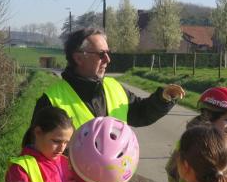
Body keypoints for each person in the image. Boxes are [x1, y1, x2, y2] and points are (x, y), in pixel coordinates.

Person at [32, 27, 185, 130]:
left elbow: (141, 113)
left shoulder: (114, 87)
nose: (108, 59)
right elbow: (38, 153)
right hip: (71, 179)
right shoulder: (50, 101)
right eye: (101, 54)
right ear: (78, 58)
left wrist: (163, 98)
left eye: (108, 52)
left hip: (117, 178)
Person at [5, 106, 75, 182]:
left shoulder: (67, 162)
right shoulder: (20, 169)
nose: (62, 148)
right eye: (56, 141)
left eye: (66, 142)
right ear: (38, 132)